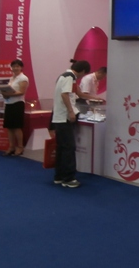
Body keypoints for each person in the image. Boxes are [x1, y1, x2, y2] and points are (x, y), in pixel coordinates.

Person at [52, 59, 90, 188]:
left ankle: (59, 176)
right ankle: (68, 178)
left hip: (60, 117)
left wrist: (93, 98)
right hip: (64, 117)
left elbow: (76, 94)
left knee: (62, 148)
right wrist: (71, 111)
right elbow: (65, 95)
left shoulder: (63, 76)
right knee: (69, 148)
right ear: (83, 71)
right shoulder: (70, 77)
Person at [0, 59, 29, 157]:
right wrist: (5, 93)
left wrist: (8, 94)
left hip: (18, 104)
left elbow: (22, 92)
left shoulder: (23, 78)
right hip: (9, 103)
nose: (15, 68)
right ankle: (11, 147)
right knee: (9, 127)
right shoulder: (12, 78)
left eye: (17, 66)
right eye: (13, 66)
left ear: (21, 67)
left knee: (16, 127)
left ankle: (20, 147)